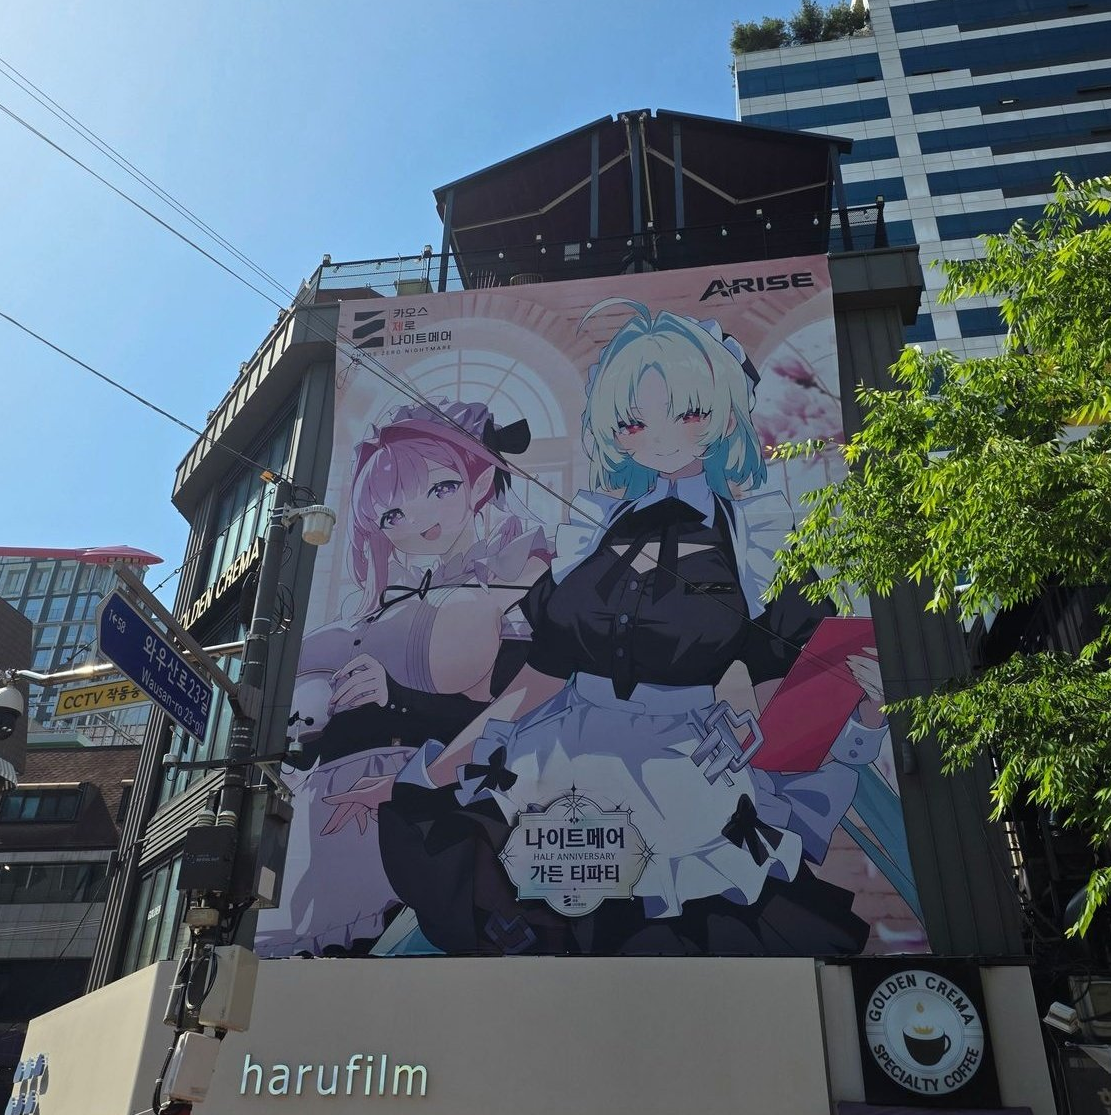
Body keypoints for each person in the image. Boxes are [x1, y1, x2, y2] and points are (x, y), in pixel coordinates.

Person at [327, 303, 888, 956]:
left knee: (666, 944)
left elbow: (789, 680)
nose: (661, 437)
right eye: (634, 421)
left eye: (688, 412)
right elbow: (535, 683)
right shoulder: (592, 533)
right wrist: (428, 774)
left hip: (682, 780)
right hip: (559, 762)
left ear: (723, 413)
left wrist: (775, 722)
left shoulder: (755, 539)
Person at [254, 399, 548, 957]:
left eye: (439, 489)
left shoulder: (516, 578)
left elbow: (520, 714)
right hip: (327, 813)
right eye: (391, 516)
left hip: (424, 805)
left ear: (478, 482)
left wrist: (398, 699)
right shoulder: (384, 599)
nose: (416, 521)